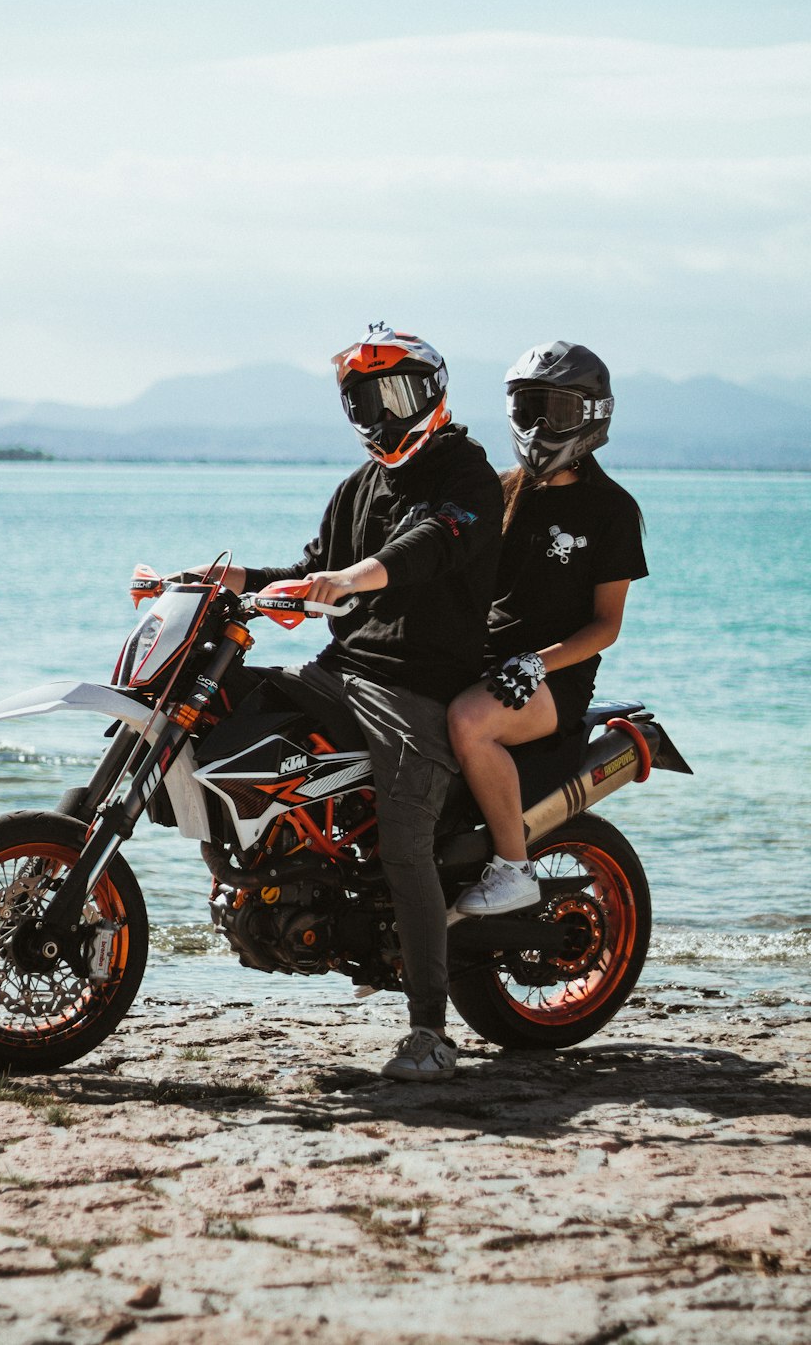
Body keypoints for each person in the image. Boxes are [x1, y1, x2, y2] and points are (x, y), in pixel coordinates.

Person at [178, 324, 503, 1081]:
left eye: (394, 393)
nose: (381, 413)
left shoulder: (467, 474)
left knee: (404, 846)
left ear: (430, 392)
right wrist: (216, 580)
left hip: (420, 688)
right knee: (230, 714)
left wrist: (355, 580)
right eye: (365, 399)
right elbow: (310, 570)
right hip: (342, 668)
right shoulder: (358, 487)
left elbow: (430, 542)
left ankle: (429, 1030)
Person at [447, 341, 648, 916]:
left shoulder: (611, 510)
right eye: (527, 407)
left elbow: (606, 626)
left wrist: (536, 662)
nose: (537, 426)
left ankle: (513, 868)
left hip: (553, 680)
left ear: (591, 415)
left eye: (554, 412)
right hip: (483, 662)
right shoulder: (500, 492)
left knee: (468, 721)